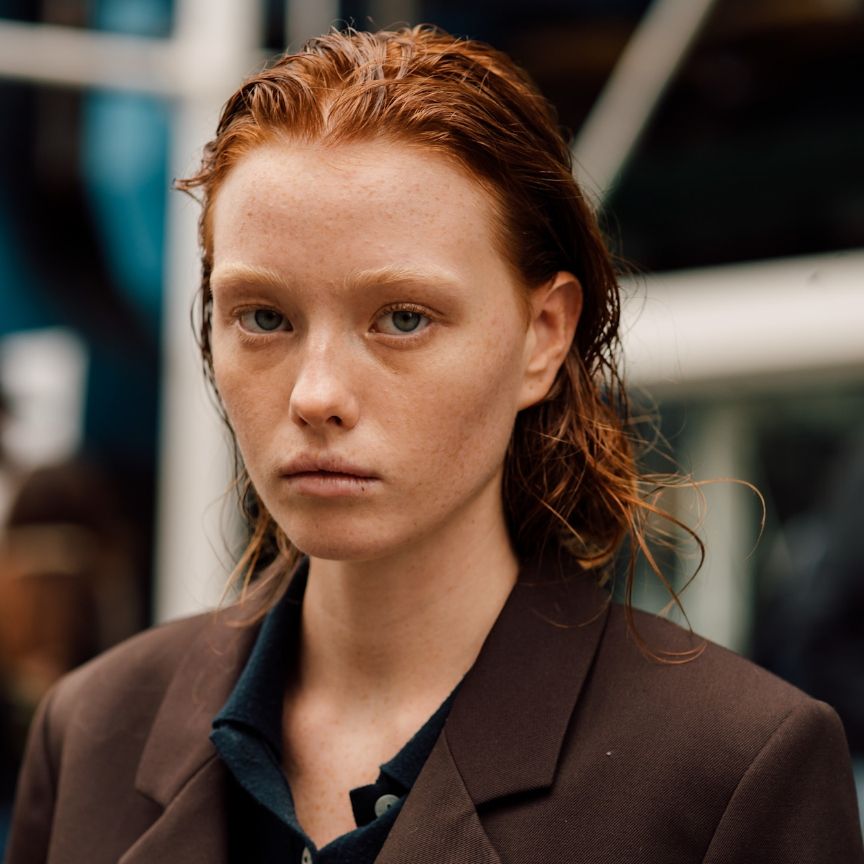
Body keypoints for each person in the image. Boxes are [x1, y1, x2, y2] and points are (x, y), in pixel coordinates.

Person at [5, 26, 863, 864]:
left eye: (403, 319)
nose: (316, 396)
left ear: (543, 335)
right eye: (263, 317)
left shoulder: (732, 769)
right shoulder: (91, 732)